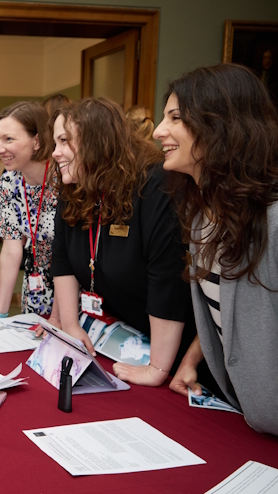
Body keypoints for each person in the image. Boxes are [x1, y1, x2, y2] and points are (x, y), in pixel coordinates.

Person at [154, 64, 278, 474]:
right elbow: (231, 304)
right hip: (247, 415)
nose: (157, 132)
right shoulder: (203, 215)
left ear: (220, 125)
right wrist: (192, 358)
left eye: (175, 118)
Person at [49, 97, 193, 387]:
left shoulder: (154, 187)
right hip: (117, 340)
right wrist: (71, 326)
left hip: (171, 352)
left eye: (64, 141)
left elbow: (168, 281)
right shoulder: (74, 186)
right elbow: (62, 259)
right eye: (55, 142)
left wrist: (158, 368)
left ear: (97, 142)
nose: (55, 153)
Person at [0, 101, 61, 320]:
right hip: (34, 286)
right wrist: (0, 312)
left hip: (71, 292)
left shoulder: (64, 179)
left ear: (36, 141)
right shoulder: (9, 181)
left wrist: (60, 318)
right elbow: (10, 248)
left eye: (9, 139)